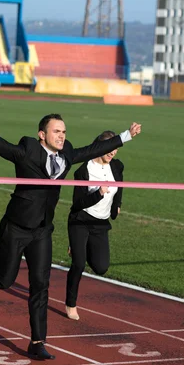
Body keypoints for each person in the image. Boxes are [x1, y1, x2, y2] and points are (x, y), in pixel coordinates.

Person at [0, 99, 141, 360]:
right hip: (17, 226)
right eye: (56, 131)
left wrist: (125, 136)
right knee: (5, 279)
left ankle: (37, 342)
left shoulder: (67, 153)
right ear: (42, 135)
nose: (62, 135)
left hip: (43, 230)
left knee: (40, 285)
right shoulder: (27, 149)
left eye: (64, 131)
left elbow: (93, 149)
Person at [65, 131, 124, 321]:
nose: (112, 152)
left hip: (100, 223)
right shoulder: (83, 170)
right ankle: (70, 304)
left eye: (115, 148)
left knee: (101, 267)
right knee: (79, 264)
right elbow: (78, 203)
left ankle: (78, 247)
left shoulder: (117, 166)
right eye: (109, 148)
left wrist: (117, 206)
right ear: (99, 147)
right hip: (80, 220)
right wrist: (98, 193)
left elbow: (119, 187)